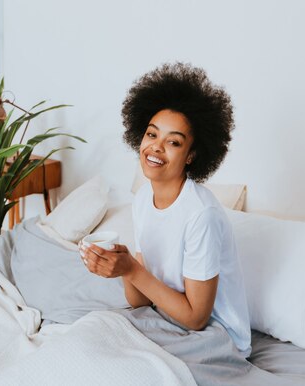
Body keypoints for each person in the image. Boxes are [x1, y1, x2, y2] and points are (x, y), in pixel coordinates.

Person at [80, 63, 251, 357]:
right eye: (151, 135)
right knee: (89, 340)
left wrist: (132, 268)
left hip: (216, 337)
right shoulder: (144, 198)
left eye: (173, 142)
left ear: (191, 156)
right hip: (167, 320)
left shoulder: (201, 215)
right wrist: (121, 265)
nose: (156, 147)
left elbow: (197, 318)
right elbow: (140, 302)